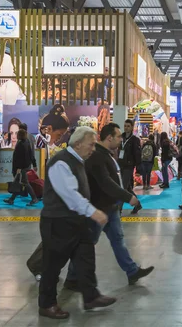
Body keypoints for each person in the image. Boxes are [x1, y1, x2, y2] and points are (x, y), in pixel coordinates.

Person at [64, 123, 154, 288]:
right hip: (99, 208)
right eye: (118, 136)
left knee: (117, 240)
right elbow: (106, 183)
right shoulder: (98, 156)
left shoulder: (105, 155)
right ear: (109, 137)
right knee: (88, 244)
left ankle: (132, 271)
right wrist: (128, 197)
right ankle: (72, 278)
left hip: (110, 207)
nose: (121, 139)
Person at [38, 126, 115, 320]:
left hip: (75, 221)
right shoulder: (61, 162)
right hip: (58, 222)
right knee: (53, 265)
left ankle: (91, 296)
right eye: (91, 145)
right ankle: (47, 304)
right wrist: (93, 212)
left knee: (85, 257)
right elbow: (70, 195)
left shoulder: (78, 161)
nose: (93, 149)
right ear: (78, 143)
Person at [4, 129, 39, 206]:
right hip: (25, 166)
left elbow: (19, 158)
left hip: (21, 167)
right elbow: (31, 155)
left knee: (25, 183)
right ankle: (11, 199)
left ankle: (34, 198)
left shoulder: (20, 144)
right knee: (17, 182)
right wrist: (34, 164)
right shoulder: (27, 142)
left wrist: (18, 168)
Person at [118, 119, 142, 213]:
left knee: (122, 188)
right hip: (120, 165)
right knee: (127, 188)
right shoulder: (121, 137)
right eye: (125, 126)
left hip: (129, 166)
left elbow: (137, 154)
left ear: (132, 127)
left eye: (128, 126)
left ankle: (118, 210)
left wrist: (138, 169)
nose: (126, 128)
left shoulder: (135, 140)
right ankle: (138, 204)